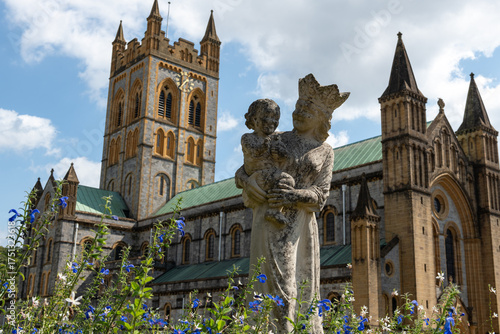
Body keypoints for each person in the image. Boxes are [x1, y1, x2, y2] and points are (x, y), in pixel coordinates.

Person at [235, 74, 349, 333]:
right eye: (298, 107)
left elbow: (321, 195)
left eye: (307, 109)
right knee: (277, 290)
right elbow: (244, 170)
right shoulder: (278, 138)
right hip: (268, 220)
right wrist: (247, 180)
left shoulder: (325, 151)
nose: (298, 112)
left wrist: (292, 196)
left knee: (298, 290)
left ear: (322, 117)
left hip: (300, 226)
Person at [241, 98, 295, 225]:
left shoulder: (277, 138)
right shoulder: (248, 137)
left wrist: (280, 152)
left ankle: (275, 210)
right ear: (254, 119)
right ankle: (274, 210)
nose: (272, 121)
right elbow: (253, 152)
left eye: (275, 118)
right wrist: (265, 146)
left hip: (270, 176)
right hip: (258, 177)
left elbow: (283, 158)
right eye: (267, 117)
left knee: (289, 181)